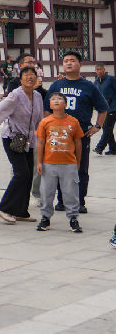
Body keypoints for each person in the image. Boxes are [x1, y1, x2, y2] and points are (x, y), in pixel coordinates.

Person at [46, 51, 107, 213]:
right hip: (59, 135)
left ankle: (79, 201)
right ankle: (62, 200)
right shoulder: (56, 85)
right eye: (65, 61)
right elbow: (46, 109)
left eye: (72, 60)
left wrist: (97, 126)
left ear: (80, 64)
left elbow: (103, 108)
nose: (68, 63)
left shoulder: (89, 86)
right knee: (60, 168)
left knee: (80, 169)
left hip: (81, 135)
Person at [0, 65, 44, 224]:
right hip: (12, 138)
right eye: (26, 75)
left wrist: (42, 135)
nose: (30, 77)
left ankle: (21, 211)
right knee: (21, 173)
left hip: (29, 140)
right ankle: (4, 208)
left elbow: (39, 119)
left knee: (28, 175)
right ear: (21, 79)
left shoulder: (38, 96)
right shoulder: (15, 95)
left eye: (32, 74)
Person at [36, 92, 84, 233]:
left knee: (71, 192)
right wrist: (39, 162)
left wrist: (77, 161)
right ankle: (45, 217)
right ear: (50, 105)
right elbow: (40, 142)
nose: (56, 101)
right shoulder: (45, 122)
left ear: (65, 104)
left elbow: (78, 143)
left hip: (69, 163)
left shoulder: (73, 122)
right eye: (53, 99)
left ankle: (73, 218)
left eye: (60, 99)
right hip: (48, 163)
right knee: (46, 192)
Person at [93, 65, 116, 155]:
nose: (99, 71)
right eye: (97, 70)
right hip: (103, 110)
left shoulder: (111, 79)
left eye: (100, 69)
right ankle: (113, 149)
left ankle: (99, 148)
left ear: (104, 70)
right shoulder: (96, 82)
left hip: (112, 108)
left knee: (107, 128)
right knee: (107, 129)